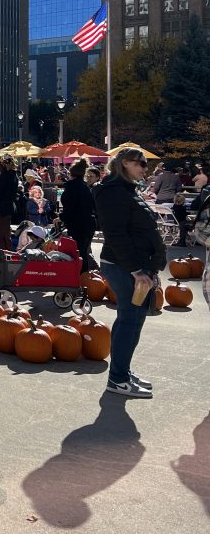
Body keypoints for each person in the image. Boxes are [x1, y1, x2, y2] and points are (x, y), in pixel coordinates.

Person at [93, 148, 165, 398]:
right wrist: (135, 270)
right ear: (125, 163)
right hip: (124, 266)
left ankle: (122, 371)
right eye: (141, 163)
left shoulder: (127, 190)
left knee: (135, 320)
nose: (146, 168)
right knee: (129, 319)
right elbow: (116, 235)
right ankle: (118, 379)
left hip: (137, 266)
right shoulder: (112, 191)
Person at [58, 159, 98, 272]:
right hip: (88, 223)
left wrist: (61, 217)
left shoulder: (71, 187)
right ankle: (85, 278)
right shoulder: (85, 187)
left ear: (70, 174)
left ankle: (78, 278)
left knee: (77, 253)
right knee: (84, 253)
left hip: (77, 225)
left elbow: (69, 208)